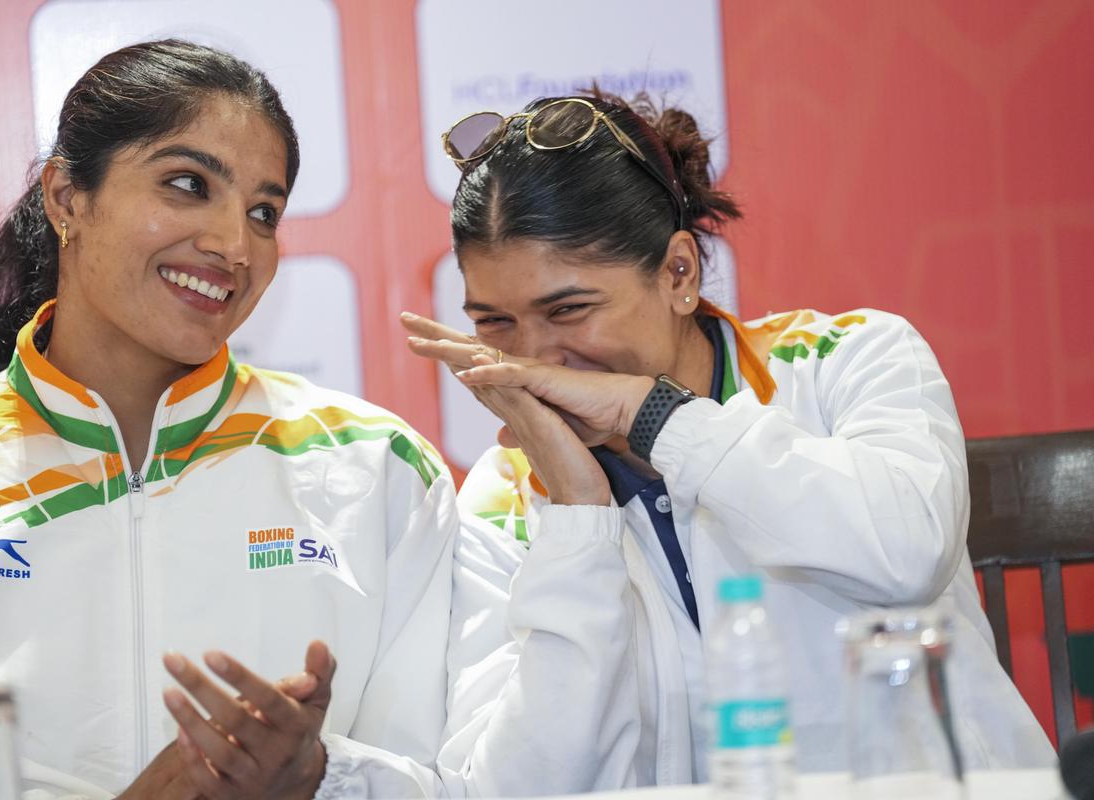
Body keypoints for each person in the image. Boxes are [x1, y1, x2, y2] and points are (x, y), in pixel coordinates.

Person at [0, 40, 657, 800]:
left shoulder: (374, 465)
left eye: (264, 212)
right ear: (67, 198)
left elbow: (449, 785)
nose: (234, 245)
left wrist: (316, 777)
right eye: (187, 184)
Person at [404, 90, 1057, 782]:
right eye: (494, 323)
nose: (530, 358)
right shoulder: (509, 492)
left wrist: (654, 418)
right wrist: (576, 517)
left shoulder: (845, 360)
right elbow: (516, 787)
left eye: (568, 309)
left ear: (678, 273)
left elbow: (909, 551)